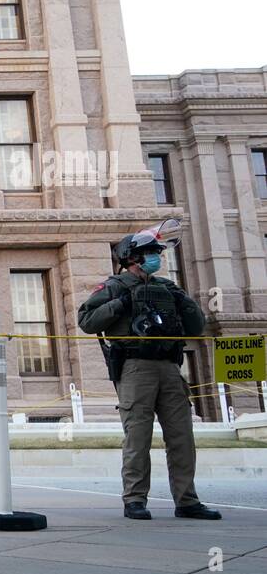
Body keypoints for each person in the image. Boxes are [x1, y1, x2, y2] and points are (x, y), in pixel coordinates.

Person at [77, 218, 219, 520]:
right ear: (133, 257)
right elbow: (87, 321)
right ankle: (135, 499)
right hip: (135, 367)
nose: (158, 257)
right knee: (138, 436)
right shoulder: (114, 286)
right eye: (152, 252)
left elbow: (195, 327)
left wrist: (186, 302)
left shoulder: (167, 287)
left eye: (159, 252)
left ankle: (187, 500)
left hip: (169, 367)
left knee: (181, 436)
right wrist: (121, 304)